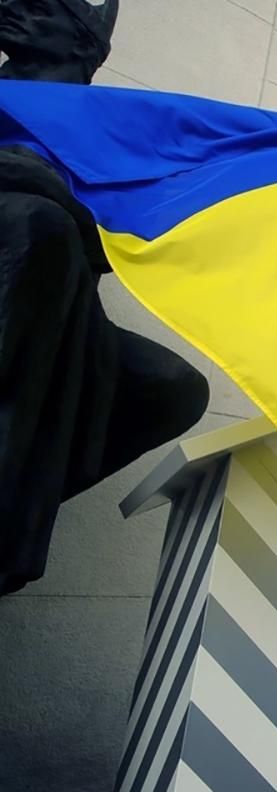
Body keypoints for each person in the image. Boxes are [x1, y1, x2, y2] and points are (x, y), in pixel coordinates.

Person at [0, 0, 209, 594]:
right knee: (38, 227)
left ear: (82, 42)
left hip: (58, 311)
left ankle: (24, 489)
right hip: (18, 269)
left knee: (175, 387)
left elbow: (122, 237)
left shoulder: (107, 129)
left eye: (38, 7)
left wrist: (51, 192)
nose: (11, 11)